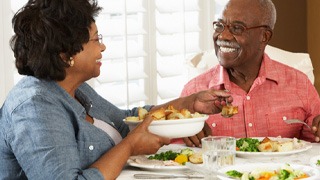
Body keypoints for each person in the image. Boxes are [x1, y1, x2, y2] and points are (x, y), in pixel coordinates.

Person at [0, 0, 234, 179]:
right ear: (65, 54)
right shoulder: (34, 108)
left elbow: (124, 122)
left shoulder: (75, 90)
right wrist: (130, 145)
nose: (102, 46)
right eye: (95, 39)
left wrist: (189, 104)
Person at [176, 0, 320, 147]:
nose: (223, 36)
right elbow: (172, 156)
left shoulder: (300, 84)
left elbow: (314, 143)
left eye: (237, 28)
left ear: (264, 36)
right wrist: (184, 133)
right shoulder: (193, 92)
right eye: (219, 26)